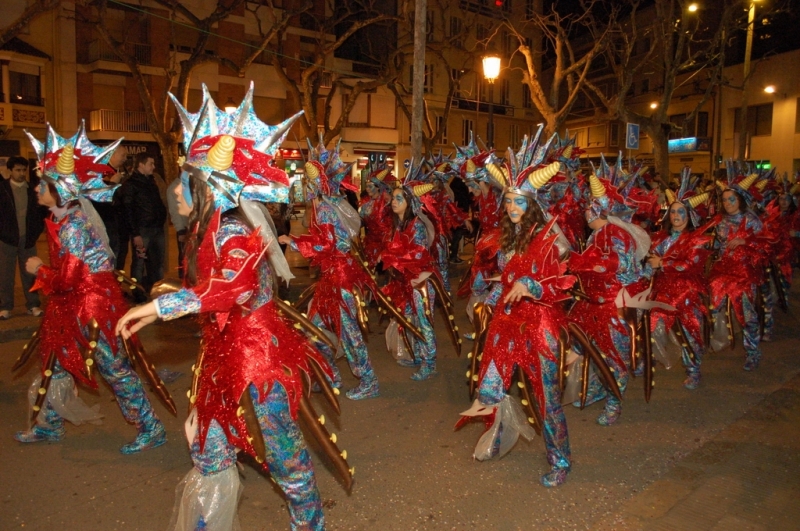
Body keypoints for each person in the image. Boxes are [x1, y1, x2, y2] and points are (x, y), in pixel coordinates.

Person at [117, 85, 344, 530]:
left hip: (258, 363)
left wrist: (158, 308)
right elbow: (215, 302)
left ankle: (309, 522)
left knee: (285, 461)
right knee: (208, 449)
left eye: (186, 181)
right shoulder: (208, 231)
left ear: (207, 185)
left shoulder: (234, 233)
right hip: (225, 356)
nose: (176, 193)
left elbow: (231, 289)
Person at [15, 123, 166, 453]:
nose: (38, 189)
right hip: (73, 302)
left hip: (94, 307)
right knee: (55, 358)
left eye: (44, 184)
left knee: (114, 369)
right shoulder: (60, 220)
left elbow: (67, 279)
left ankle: (150, 426)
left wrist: (39, 269)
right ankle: (50, 424)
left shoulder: (72, 226)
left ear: (60, 191)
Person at [457, 138, 572, 487]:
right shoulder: (508, 235)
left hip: (539, 324)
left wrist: (532, 286)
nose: (511, 207)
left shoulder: (550, 238)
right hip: (508, 320)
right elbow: (509, 276)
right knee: (496, 386)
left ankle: (561, 460)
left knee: (545, 396)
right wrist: (498, 286)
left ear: (532, 203)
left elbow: (561, 282)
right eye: (508, 201)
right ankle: (497, 439)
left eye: (519, 201)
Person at [280, 138, 380, 400]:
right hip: (334, 276)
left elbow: (326, 244)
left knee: (348, 334)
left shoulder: (325, 208)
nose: (306, 184)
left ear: (318, 183)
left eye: (309, 180)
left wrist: (295, 242)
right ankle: (327, 374)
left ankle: (368, 379)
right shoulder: (329, 204)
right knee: (314, 327)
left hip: (340, 280)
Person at [568, 174, 650, 426]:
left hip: (614, 305)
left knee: (613, 354)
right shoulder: (599, 234)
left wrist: (591, 265)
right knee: (589, 348)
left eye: (591, 207)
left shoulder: (615, 234)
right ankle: (602, 387)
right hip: (593, 302)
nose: (586, 211)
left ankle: (615, 400)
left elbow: (622, 268)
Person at [646, 170, 714, 390]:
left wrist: (662, 263)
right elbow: (649, 259)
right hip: (663, 290)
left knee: (689, 332)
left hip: (687, 292)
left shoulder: (697, 239)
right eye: (673, 211)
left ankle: (693, 370)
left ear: (690, 215)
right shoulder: (661, 238)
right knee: (652, 323)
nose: (675, 216)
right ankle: (647, 358)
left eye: (681, 212)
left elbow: (689, 265)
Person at [381, 164, 441, 380]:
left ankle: (430, 363)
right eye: (394, 197)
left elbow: (419, 254)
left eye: (399, 198)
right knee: (412, 319)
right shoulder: (398, 225)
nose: (393, 201)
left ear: (410, 202)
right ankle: (417, 355)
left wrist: (393, 259)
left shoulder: (417, 225)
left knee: (424, 322)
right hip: (408, 280)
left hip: (422, 282)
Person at [708, 169, 766, 371]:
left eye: (731, 199)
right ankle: (718, 339)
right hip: (723, 271)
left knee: (747, 314)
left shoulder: (751, 220)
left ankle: (752, 352)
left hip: (744, 274)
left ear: (740, 199)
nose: (728, 203)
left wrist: (746, 241)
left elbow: (765, 245)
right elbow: (716, 247)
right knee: (712, 305)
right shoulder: (720, 222)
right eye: (724, 200)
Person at [0, 156, 46, 319]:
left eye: (23, 170)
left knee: (30, 273)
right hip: (8, 239)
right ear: (10, 171)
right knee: (6, 274)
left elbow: (41, 213)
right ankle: (5, 307)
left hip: (28, 239)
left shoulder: (32, 190)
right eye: (17, 170)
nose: (21, 173)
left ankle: (33, 304)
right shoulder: (3, 189)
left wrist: (36, 232)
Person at [121, 152, 167, 298]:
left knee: (157, 263)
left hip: (156, 228)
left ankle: (157, 292)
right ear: (141, 164)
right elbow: (128, 210)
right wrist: (135, 233)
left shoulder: (151, 182)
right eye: (150, 164)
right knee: (139, 263)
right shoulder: (131, 184)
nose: (153, 167)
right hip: (143, 230)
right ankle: (138, 293)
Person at [91, 146, 127, 261]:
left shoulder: (123, 172)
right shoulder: (101, 173)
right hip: (106, 221)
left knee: (121, 253)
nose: (125, 159)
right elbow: (99, 199)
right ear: (112, 155)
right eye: (123, 155)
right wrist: (111, 184)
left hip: (121, 221)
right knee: (111, 254)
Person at [166, 176, 189, 278]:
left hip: (192, 225)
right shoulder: (174, 188)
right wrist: (180, 230)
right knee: (185, 258)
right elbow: (174, 211)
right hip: (185, 227)